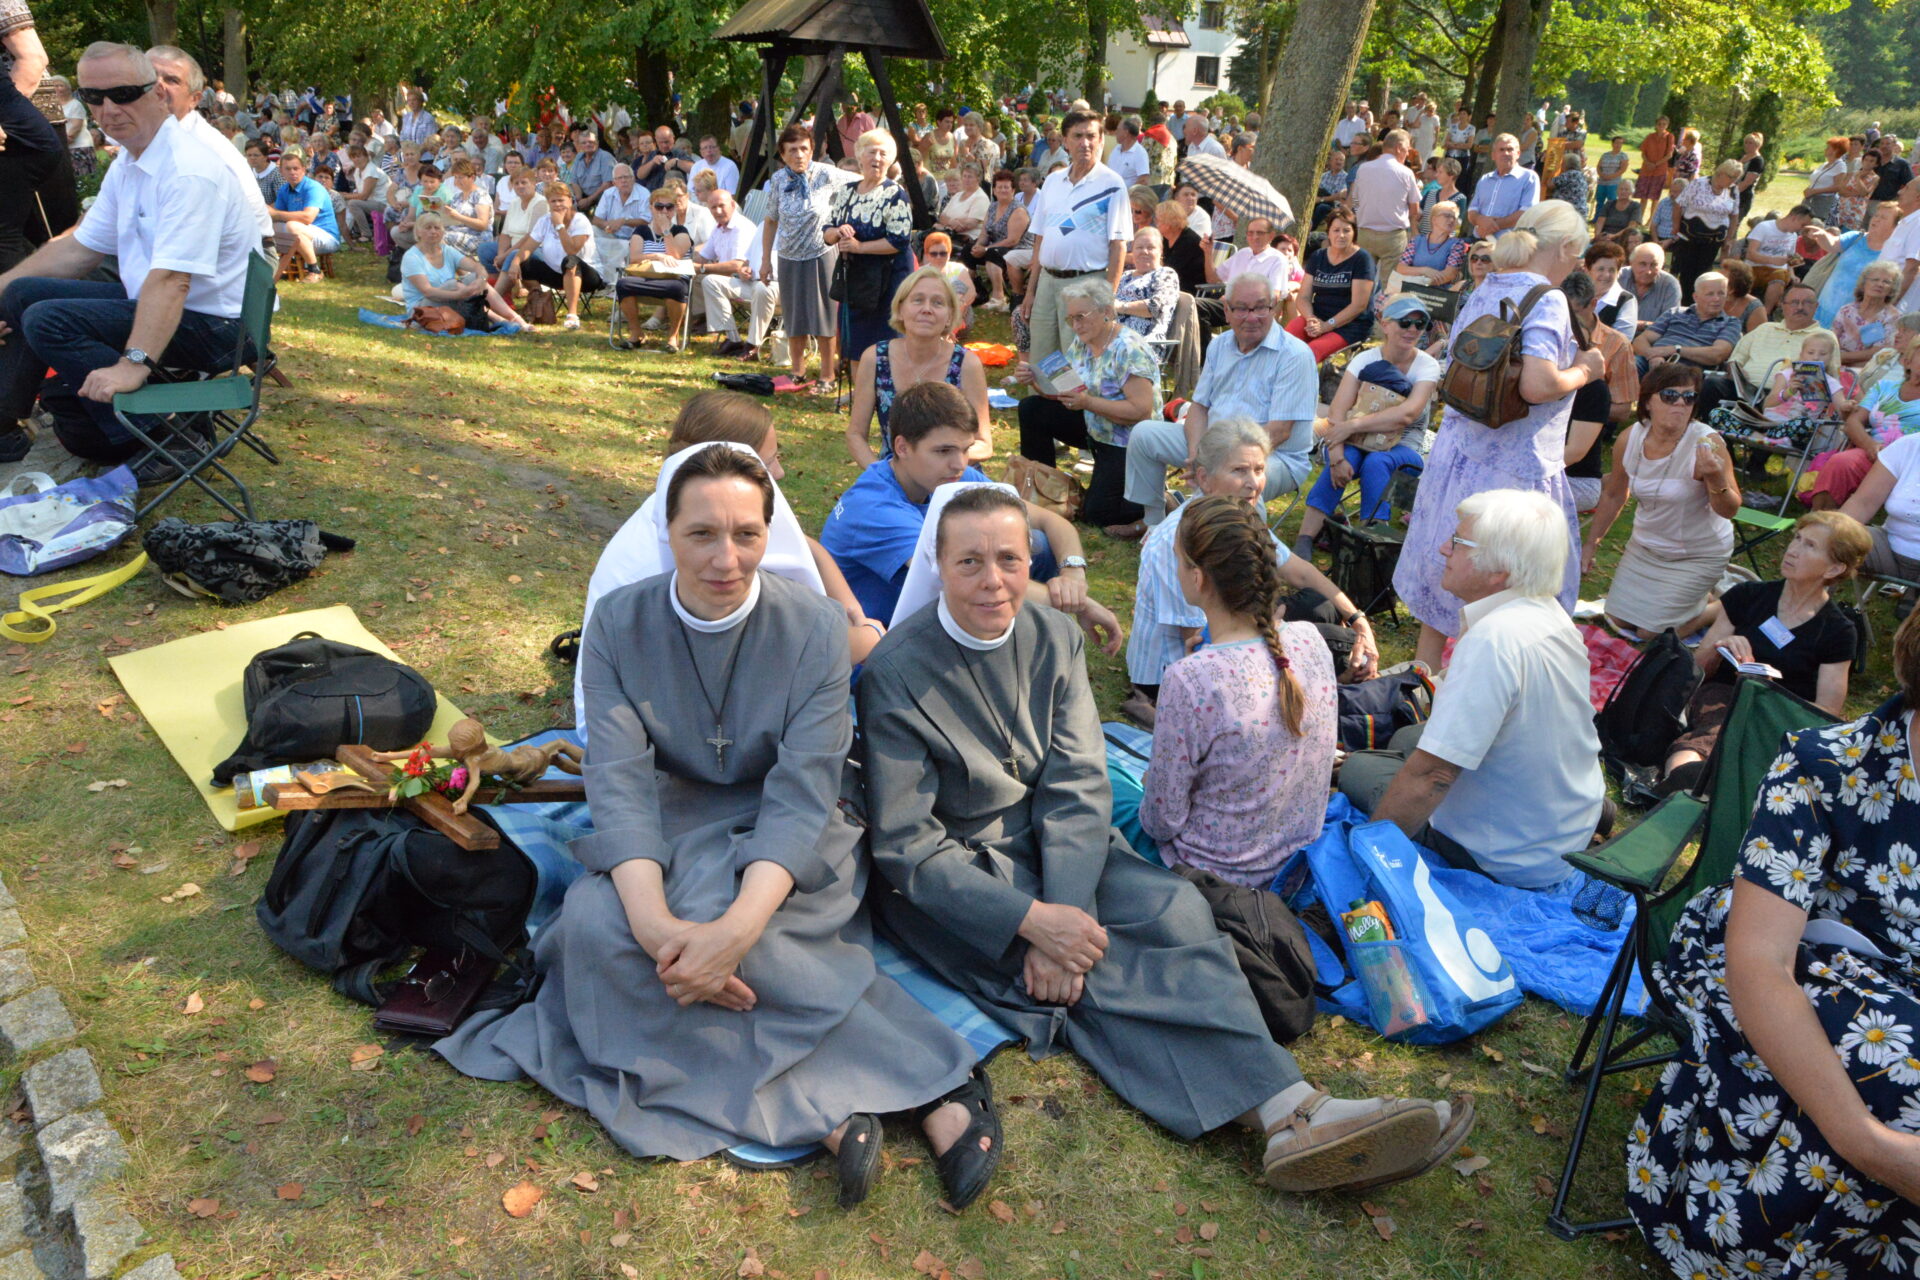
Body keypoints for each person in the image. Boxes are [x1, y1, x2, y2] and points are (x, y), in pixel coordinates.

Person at [859, 483, 1469, 1195]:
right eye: (970, 562)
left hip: (1060, 847)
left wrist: (1069, 913)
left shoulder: (1053, 637)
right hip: (961, 880)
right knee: (1104, 976)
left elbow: (1077, 782)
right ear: (937, 566)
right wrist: (1032, 924)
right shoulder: (896, 671)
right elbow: (907, 846)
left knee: (1176, 912)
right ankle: (1287, 1112)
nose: (993, 580)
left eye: (1010, 559)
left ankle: (1293, 1111)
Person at [445, 442, 995, 1207]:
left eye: (746, 534)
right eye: (701, 533)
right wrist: (655, 929)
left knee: (761, 944)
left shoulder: (814, 626)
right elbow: (620, 784)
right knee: (599, 931)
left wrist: (733, 932)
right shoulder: (617, 623)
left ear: (770, 534)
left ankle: (913, 1094)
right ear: (667, 533)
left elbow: (802, 792)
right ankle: (838, 1109)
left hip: (796, 823)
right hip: (671, 816)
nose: (725, 558)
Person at [1625, 609, 1920, 1279]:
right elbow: (1759, 962)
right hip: (1775, 962)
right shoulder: (1826, 766)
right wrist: (1867, 1144)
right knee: (1902, 1074)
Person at [0, 42, 256, 470]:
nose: (108, 109)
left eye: (122, 94)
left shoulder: (188, 170)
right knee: (22, 293)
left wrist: (133, 364)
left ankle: (172, 440)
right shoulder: (133, 159)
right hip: (174, 307)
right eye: (93, 96)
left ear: (156, 93)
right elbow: (79, 249)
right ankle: (5, 421)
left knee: (48, 319)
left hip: (219, 326)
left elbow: (173, 281)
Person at [578, 394, 891, 729]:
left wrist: (848, 604)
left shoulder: (685, 505)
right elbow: (802, 651)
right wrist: (870, 634)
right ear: (730, 464)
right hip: (660, 724)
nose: (780, 472)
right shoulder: (704, 563)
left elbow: (806, 548)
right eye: (769, 461)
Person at [1345, 489, 1605, 889]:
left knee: (1360, 768)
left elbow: (1434, 775)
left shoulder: (1494, 640)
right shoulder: (1549, 613)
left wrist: (1369, 865)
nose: (1443, 548)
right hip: (1561, 827)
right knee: (1409, 738)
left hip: (1506, 858)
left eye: (1458, 541)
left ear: (1499, 570)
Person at [1394, 200, 1600, 667]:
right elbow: (1538, 385)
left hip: (1459, 454)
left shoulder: (1490, 284)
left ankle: (1421, 683)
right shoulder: (1548, 298)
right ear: (1565, 247)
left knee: (1449, 576)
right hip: (1510, 467)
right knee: (1497, 590)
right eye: (1577, 255)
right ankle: (1469, 688)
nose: (1576, 266)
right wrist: (1586, 370)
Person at [1138, 494, 1338, 886]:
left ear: (1197, 578)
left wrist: (1150, 785)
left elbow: (1162, 822)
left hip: (1213, 877)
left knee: (1107, 786)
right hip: (1294, 868)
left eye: (1178, 559)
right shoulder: (1310, 639)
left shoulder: (1190, 679)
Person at [821, 381, 1118, 644]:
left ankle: (1021, 636)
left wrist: (1073, 575)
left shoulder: (950, 477)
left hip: (926, 624)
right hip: (876, 647)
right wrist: (1078, 604)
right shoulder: (875, 507)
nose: (959, 464)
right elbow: (963, 580)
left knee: (1034, 542)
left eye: (965, 449)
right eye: (943, 451)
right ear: (902, 447)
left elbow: (1050, 521)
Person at [1127, 418, 1379, 715]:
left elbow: (1299, 571)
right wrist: (1271, 629)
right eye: (1239, 470)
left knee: (1322, 604)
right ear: (1204, 478)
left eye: (1259, 470)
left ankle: (1340, 673)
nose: (1253, 483)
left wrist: (1358, 618)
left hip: (1232, 631)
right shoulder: (1178, 540)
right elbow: (1198, 641)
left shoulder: (1236, 515)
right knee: (1341, 645)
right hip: (1178, 669)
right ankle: (1341, 679)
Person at [1654, 510, 1865, 796]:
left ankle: (1700, 785)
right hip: (1724, 695)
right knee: (1718, 727)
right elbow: (1696, 669)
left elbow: (1826, 710)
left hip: (1778, 715)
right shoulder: (1749, 596)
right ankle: (1682, 780)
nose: (1793, 550)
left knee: (1752, 740)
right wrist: (1722, 647)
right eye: (1797, 538)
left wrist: (1772, 696)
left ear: (1833, 569)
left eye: (1810, 546)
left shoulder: (1837, 630)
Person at [1123, 273, 1320, 529]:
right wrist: (1196, 454)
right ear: (1226, 310)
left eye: (1260, 307)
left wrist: (1217, 464)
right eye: (1241, 308)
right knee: (1144, 434)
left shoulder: (1294, 355)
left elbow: (1280, 431)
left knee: (1235, 480)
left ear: (1274, 307)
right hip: (1213, 444)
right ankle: (1153, 524)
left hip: (1276, 456)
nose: (1252, 317)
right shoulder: (1220, 345)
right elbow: (1199, 407)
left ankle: (1239, 544)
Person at [1583, 363, 1740, 636]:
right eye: (1670, 396)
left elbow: (1729, 510)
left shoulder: (1707, 443)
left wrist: (1715, 478)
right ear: (1648, 402)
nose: (1680, 403)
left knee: (1650, 633)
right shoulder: (1630, 438)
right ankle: (1697, 598)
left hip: (1697, 553)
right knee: (1617, 620)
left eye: (1688, 397)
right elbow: (1614, 494)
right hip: (1646, 547)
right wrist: (1591, 545)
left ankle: (1719, 608)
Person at [1294, 294, 1440, 554]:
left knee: (1377, 462)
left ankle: (1371, 540)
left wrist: (1352, 426)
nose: (1412, 329)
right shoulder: (1365, 360)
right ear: (1385, 324)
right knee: (1347, 458)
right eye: (1405, 322)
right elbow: (1337, 413)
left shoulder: (1427, 366)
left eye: (1420, 324)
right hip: (1353, 441)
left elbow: (1407, 414)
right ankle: (1305, 539)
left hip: (1403, 445)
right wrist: (1337, 458)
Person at [1014, 275, 1159, 532]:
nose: (1075, 325)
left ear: (1106, 312)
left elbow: (1141, 411)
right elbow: (1066, 392)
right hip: (1095, 426)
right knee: (1032, 408)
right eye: (1071, 319)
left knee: (1098, 515)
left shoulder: (1128, 348)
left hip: (1128, 441)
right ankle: (1041, 487)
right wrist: (1035, 381)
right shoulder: (1083, 343)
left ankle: (1159, 500)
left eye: (1081, 316)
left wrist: (1087, 402)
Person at [1019, 109, 1131, 365]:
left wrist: (1108, 299)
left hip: (1086, 283)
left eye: (1091, 136)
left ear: (1101, 140)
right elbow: (1040, 239)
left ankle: (1079, 395)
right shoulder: (1052, 181)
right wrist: (1030, 290)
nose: (1085, 143)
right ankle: (1046, 393)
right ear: (1065, 141)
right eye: (1078, 136)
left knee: (1080, 359)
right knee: (1043, 359)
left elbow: (1118, 246)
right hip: (1047, 282)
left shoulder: (1112, 184)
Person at [847, 267, 989, 467]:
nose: (927, 309)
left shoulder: (967, 364)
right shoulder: (875, 358)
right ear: (900, 309)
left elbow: (984, 444)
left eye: (938, 303)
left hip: (954, 475)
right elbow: (855, 434)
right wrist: (880, 475)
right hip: (893, 475)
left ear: (950, 316)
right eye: (918, 300)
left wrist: (938, 460)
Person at [761, 125, 845, 390]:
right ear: (782, 154)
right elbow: (771, 220)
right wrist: (765, 259)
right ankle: (797, 372)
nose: (799, 154)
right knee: (794, 316)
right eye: (792, 150)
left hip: (821, 253)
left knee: (824, 316)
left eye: (804, 149)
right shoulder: (778, 180)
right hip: (788, 256)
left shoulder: (827, 174)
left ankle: (827, 375)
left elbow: (861, 182)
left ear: (812, 150)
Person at [1806, 336, 1920, 509]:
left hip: (1912, 461)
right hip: (1875, 453)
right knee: (1840, 462)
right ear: (1907, 361)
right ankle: (1820, 519)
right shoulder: (1884, 387)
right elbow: (1853, 422)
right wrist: (1870, 446)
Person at [398, 212, 524, 329]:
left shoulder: (447, 251)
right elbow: (428, 292)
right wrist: (460, 294)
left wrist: (481, 280)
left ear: (442, 232)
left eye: (437, 228)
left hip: (447, 302)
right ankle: (498, 319)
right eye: (428, 228)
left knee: (474, 278)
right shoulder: (412, 257)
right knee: (453, 284)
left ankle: (516, 319)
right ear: (418, 232)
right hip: (421, 311)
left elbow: (477, 267)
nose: (433, 231)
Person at [695, 190, 777, 361]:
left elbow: (735, 264)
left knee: (762, 288)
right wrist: (745, 268)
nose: (718, 211)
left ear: (733, 205)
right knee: (710, 281)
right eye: (713, 207)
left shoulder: (743, 227)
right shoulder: (762, 226)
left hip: (775, 285)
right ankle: (732, 338)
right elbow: (746, 261)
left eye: (721, 206)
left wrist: (702, 268)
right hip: (749, 281)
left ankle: (753, 345)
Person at [512, 181, 602, 331]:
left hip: (586, 276)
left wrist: (559, 225)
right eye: (553, 201)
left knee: (570, 261)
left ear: (570, 201)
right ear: (548, 203)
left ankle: (572, 315)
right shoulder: (544, 221)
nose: (558, 204)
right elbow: (528, 247)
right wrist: (515, 262)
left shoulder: (580, 220)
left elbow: (571, 250)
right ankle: (538, 302)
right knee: (525, 263)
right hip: (557, 273)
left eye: (561, 200)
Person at [611, 189, 694, 352]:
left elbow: (675, 255)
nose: (664, 211)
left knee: (676, 288)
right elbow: (634, 258)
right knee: (623, 284)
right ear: (651, 208)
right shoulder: (641, 231)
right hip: (645, 277)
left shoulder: (681, 231)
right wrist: (657, 256)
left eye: (669, 207)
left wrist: (666, 231)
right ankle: (636, 333)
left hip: (673, 279)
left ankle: (673, 336)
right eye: (659, 206)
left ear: (674, 210)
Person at [1286, 210, 1375, 361]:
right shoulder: (1318, 256)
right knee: (1285, 341)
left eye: (1346, 230)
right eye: (1336, 230)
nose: (1341, 235)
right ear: (1328, 233)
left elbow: (1358, 305)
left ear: (1354, 233)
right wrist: (1310, 319)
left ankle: (1300, 376)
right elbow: (1303, 297)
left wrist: (1327, 326)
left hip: (1350, 325)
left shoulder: (1362, 259)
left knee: (1311, 352)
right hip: (1318, 317)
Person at [1840, 420, 1920, 582]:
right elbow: (1862, 503)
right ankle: (1801, 598)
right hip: (1890, 548)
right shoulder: (1908, 446)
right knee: (1821, 542)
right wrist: (1829, 531)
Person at [1631, 270, 1742, 372]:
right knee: (1629, 365)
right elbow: (1641, 340)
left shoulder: (1730, 323)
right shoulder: (1675, 312)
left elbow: (1717, 355)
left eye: (1721, 293)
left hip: (1688, 372)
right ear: (1696, 297)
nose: (1717, 299)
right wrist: (1652, 356)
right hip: (1653, 362)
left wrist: (1676, 350)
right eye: (1710, 294)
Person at [1816, 200, 1901, 327]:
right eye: (1876, 215)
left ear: (1895, 227)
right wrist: (1822, 235)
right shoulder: (1856, 237)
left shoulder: (1891, 254)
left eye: (1883, 218)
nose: (1876, 219)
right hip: (1823, 308)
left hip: (1853, 319)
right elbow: (1832, 245)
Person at [1348, 128, 1422, 268]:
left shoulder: (1363, 168)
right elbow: (1415, 209)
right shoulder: (1406, 173)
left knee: (1364, 276)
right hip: (1393, 236)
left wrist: (1360, 213)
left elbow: (1355, 199)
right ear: (1399, 147)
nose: (1408, 154)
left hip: (1365, 233)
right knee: (1390, 280)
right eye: (1407, 149)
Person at [1671, 159, 1742, 301]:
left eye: (1736, 178)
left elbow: (1734, 216)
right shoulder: (1698, 184)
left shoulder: (1733, 190)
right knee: (1687, 271)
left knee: (1704, 272)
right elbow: (1679, 205)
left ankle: (1700, 302)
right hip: (1690, 235)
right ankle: (1685, 302)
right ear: (1721, 173)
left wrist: (1729, 238)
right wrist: (1676, 227)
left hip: (1714, 239)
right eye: (1731, 177)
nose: (1733, 181)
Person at [269, 149, 340, 282]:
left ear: (303, 169)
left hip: (327, 237)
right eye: (288, 169)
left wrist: (276, 214)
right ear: (281, 172)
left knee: (292, 226)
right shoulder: (284, 190)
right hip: (303, 233)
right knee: (270, 227)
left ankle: (314, 270)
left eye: (296, 168)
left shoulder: (313, 188)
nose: (292, 172)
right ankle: (276, 266)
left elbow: (308, 217)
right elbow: (277, 217)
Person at [967, 170, 1028, 311]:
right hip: (995, 244)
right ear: (994, 190)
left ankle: (999, 297)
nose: (1003, 190)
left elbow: (1013, 240)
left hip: (1018, 248)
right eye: (999, 187)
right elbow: (984, 233)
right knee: (967, 250)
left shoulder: (1018, 210)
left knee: (993, 253)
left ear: (1013, 190)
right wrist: (978, 245)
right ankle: (974, 290)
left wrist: (985, 249)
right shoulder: (993, 206)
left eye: (1006, 187)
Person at [1466, 134, 1540, 240]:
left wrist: (1492, 226)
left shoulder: (1528, 177)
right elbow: (1472, 210)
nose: (1506, 153)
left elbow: (1527, 212)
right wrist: (1479, 220)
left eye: (1510, 149)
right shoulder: (1485, 179)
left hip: (1508, 243)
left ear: (1518, 154)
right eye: (1501, 150)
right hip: (1478, 241)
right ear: (1493, 155)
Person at [1114, 226, 1180, 342]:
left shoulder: (1166, 274)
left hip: (1142, 343)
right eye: (1139, 247)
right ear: (1133, 251)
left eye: (1151, 248)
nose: (1144, 251)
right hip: (1113, 338)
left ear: (1160, 251)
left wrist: (1120, 307)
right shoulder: (1125, 276)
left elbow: (1156, 307)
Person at [1833, 261, 1903, 369]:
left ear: (1892, 290)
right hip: (1836, 364)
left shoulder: (1893, 317)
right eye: (1875, 279)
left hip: (1866, 369)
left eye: (1886, 282)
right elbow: (1832, 340)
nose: (1880, 284)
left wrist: (1839, 358)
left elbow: (1879, 352)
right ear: (1864, 284)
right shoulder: (1846, 310)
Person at [920, 233, 977, 333]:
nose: (938, 257)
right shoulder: (920, 273)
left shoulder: (958, 269)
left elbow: (971, 293)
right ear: (927, 255)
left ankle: (949, 329)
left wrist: (954, 312)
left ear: (949, 254)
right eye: (934, 254)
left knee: (958, 289)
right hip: (930, 312)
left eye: (943, 253)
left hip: (958, 313)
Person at [1624, 240, 1681, 326]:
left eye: (1654, 265)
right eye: (1642, 264)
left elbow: (1669, 323)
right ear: (1631, 263)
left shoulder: (1670, 285)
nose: (1648, 271)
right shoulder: (1619, 277)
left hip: (1653, 334)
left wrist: (1636, 324)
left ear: (1662, 266)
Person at [1804, 136, 1853, 225]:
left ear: (1836, 150)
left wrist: (1815, 191)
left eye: (1828, 147)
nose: (1825, 149)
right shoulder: (1825, 164)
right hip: (1810, 199)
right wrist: (1809, 189)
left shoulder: (1840, 165)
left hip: (1823, 202)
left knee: (1815, 224)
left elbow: (1838, 187)